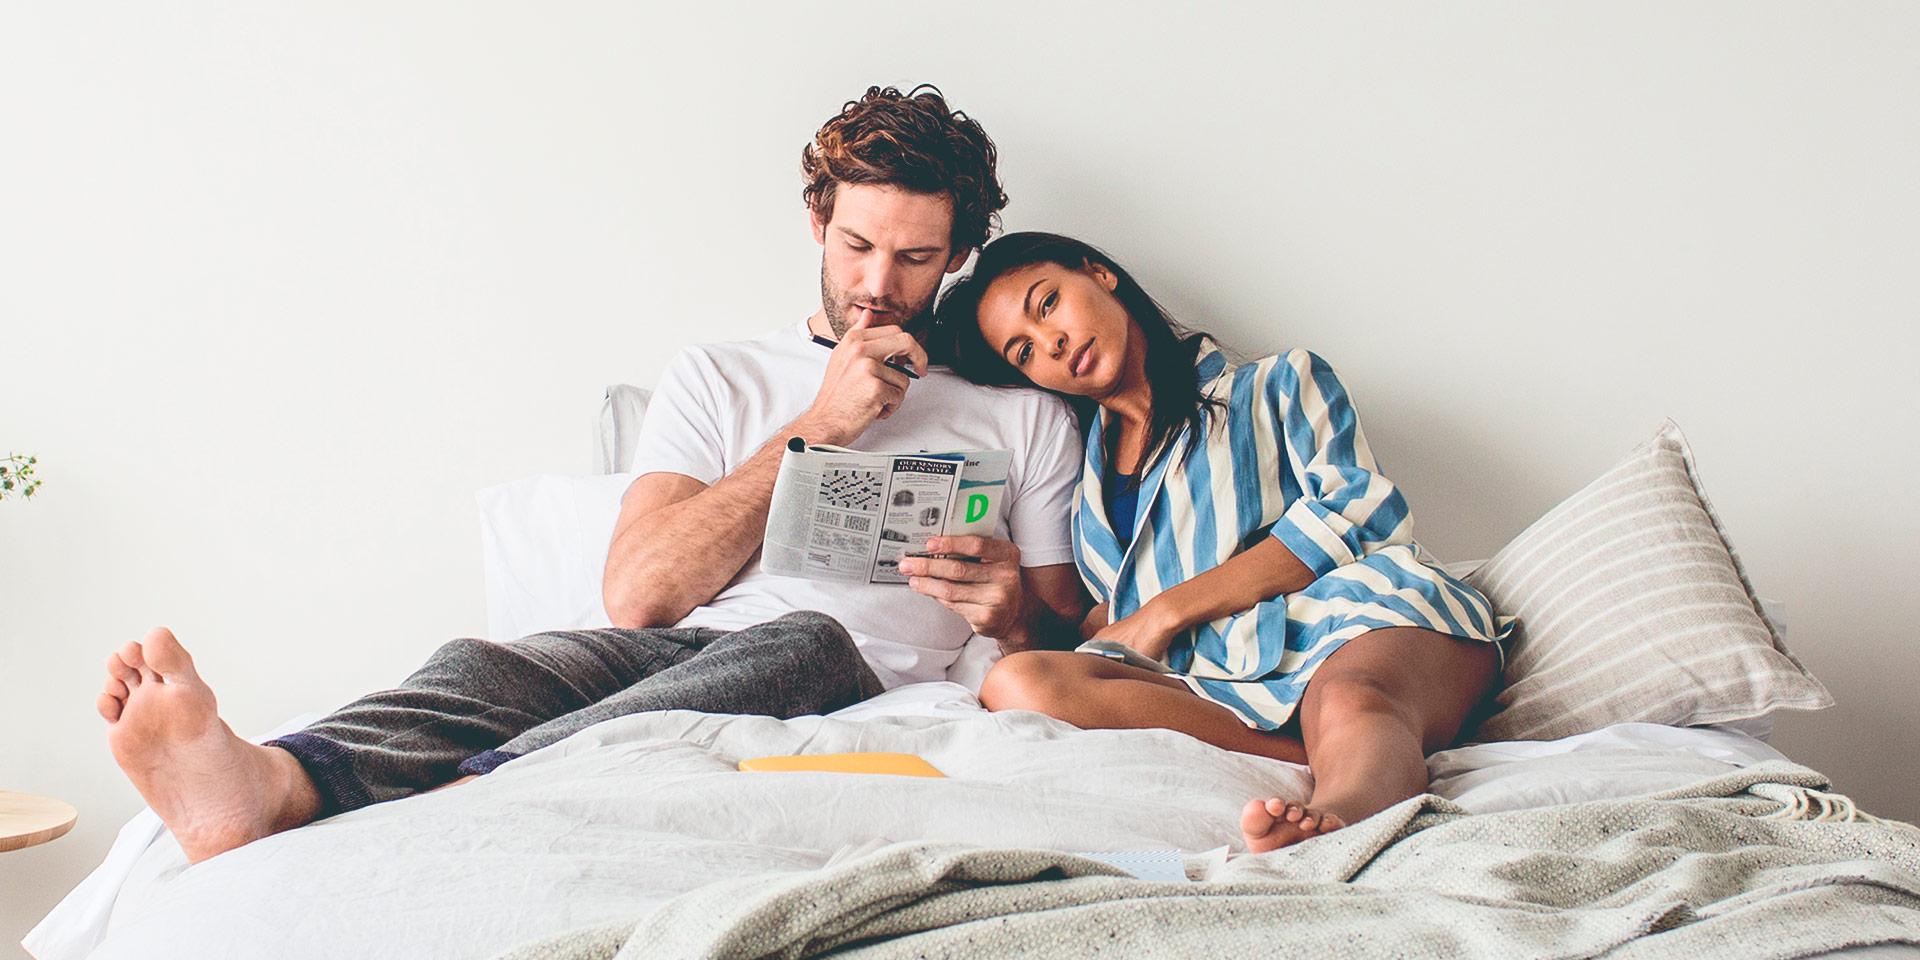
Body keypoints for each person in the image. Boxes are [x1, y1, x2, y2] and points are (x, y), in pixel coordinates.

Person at [97, 87, 1088, 864]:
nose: (878, 285)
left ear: (958, 254)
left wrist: (1007, 615)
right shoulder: (720, 376)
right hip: (667, 656)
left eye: (914, 258)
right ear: (817, 221)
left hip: (844, 678)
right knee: (488, 664)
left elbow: (1061, 637)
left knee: (803, 638)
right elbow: (639, 594)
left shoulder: (1023, 414)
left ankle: (476, 795)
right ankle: (266, 784)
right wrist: (819, 423)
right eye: (858, 245)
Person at [919, 232, 1513, 852]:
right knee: (1017, 682)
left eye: (1047, 305)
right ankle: (1309, 752)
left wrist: (1166, 611)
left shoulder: (1279, 382)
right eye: (1025, 352)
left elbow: (1356, 510)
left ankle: (1338, 817)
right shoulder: (1081, 486)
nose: (1052, 343)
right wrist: (1027, 614)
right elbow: (1109, 624)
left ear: (1100, 273)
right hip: (1223, 678)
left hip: (1360, 616)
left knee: (1350, 698)